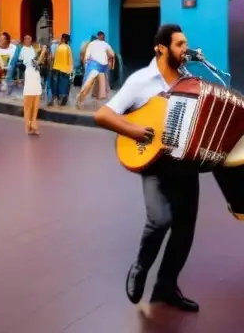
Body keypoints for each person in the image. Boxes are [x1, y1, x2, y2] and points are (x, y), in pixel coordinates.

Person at [93, 24, 199, 313]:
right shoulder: (141, 80)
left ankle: (167, 287)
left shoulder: (189, 81)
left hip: (186, 164)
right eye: (179, 44)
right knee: (160, 220)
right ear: (161, 48)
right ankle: (140, 267)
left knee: (185, 229)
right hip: (154, 164)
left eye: (185, 44)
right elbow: (103, 114)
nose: (184, 50)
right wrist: (136, 131)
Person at [77, 31, 114, 109]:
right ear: (101, 37)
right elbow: (112, 54)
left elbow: (86, 57)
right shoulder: (103, 44)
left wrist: (85, 65)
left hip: (94, 66)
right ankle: (88, 102)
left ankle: (82, 101)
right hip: (100, 67)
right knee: (98, 88)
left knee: (89, 85)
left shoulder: (92, 44)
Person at [18, 35, 42, 135]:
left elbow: (37, 64)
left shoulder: (33, 49)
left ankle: (34, 124)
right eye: (27, 39)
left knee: (36, 104)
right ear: (24, 40)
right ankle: (28, 126)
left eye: (30, 39)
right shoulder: (23, 50)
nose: (29, 40)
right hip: (30, 75)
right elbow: (34, 63)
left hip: (36, 75)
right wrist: (42, 53)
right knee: (28, 104)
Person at [50, 34, 74, 107]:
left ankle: (55, 99)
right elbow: (70, 60)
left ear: (63, 39)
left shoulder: (58, 47)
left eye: (61, 38)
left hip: (56, 69)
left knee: (56, 85)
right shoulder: (68, 48)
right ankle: (62, 101)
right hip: (65, 70)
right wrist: (71, 70)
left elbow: (54, 58)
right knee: (64, 86)